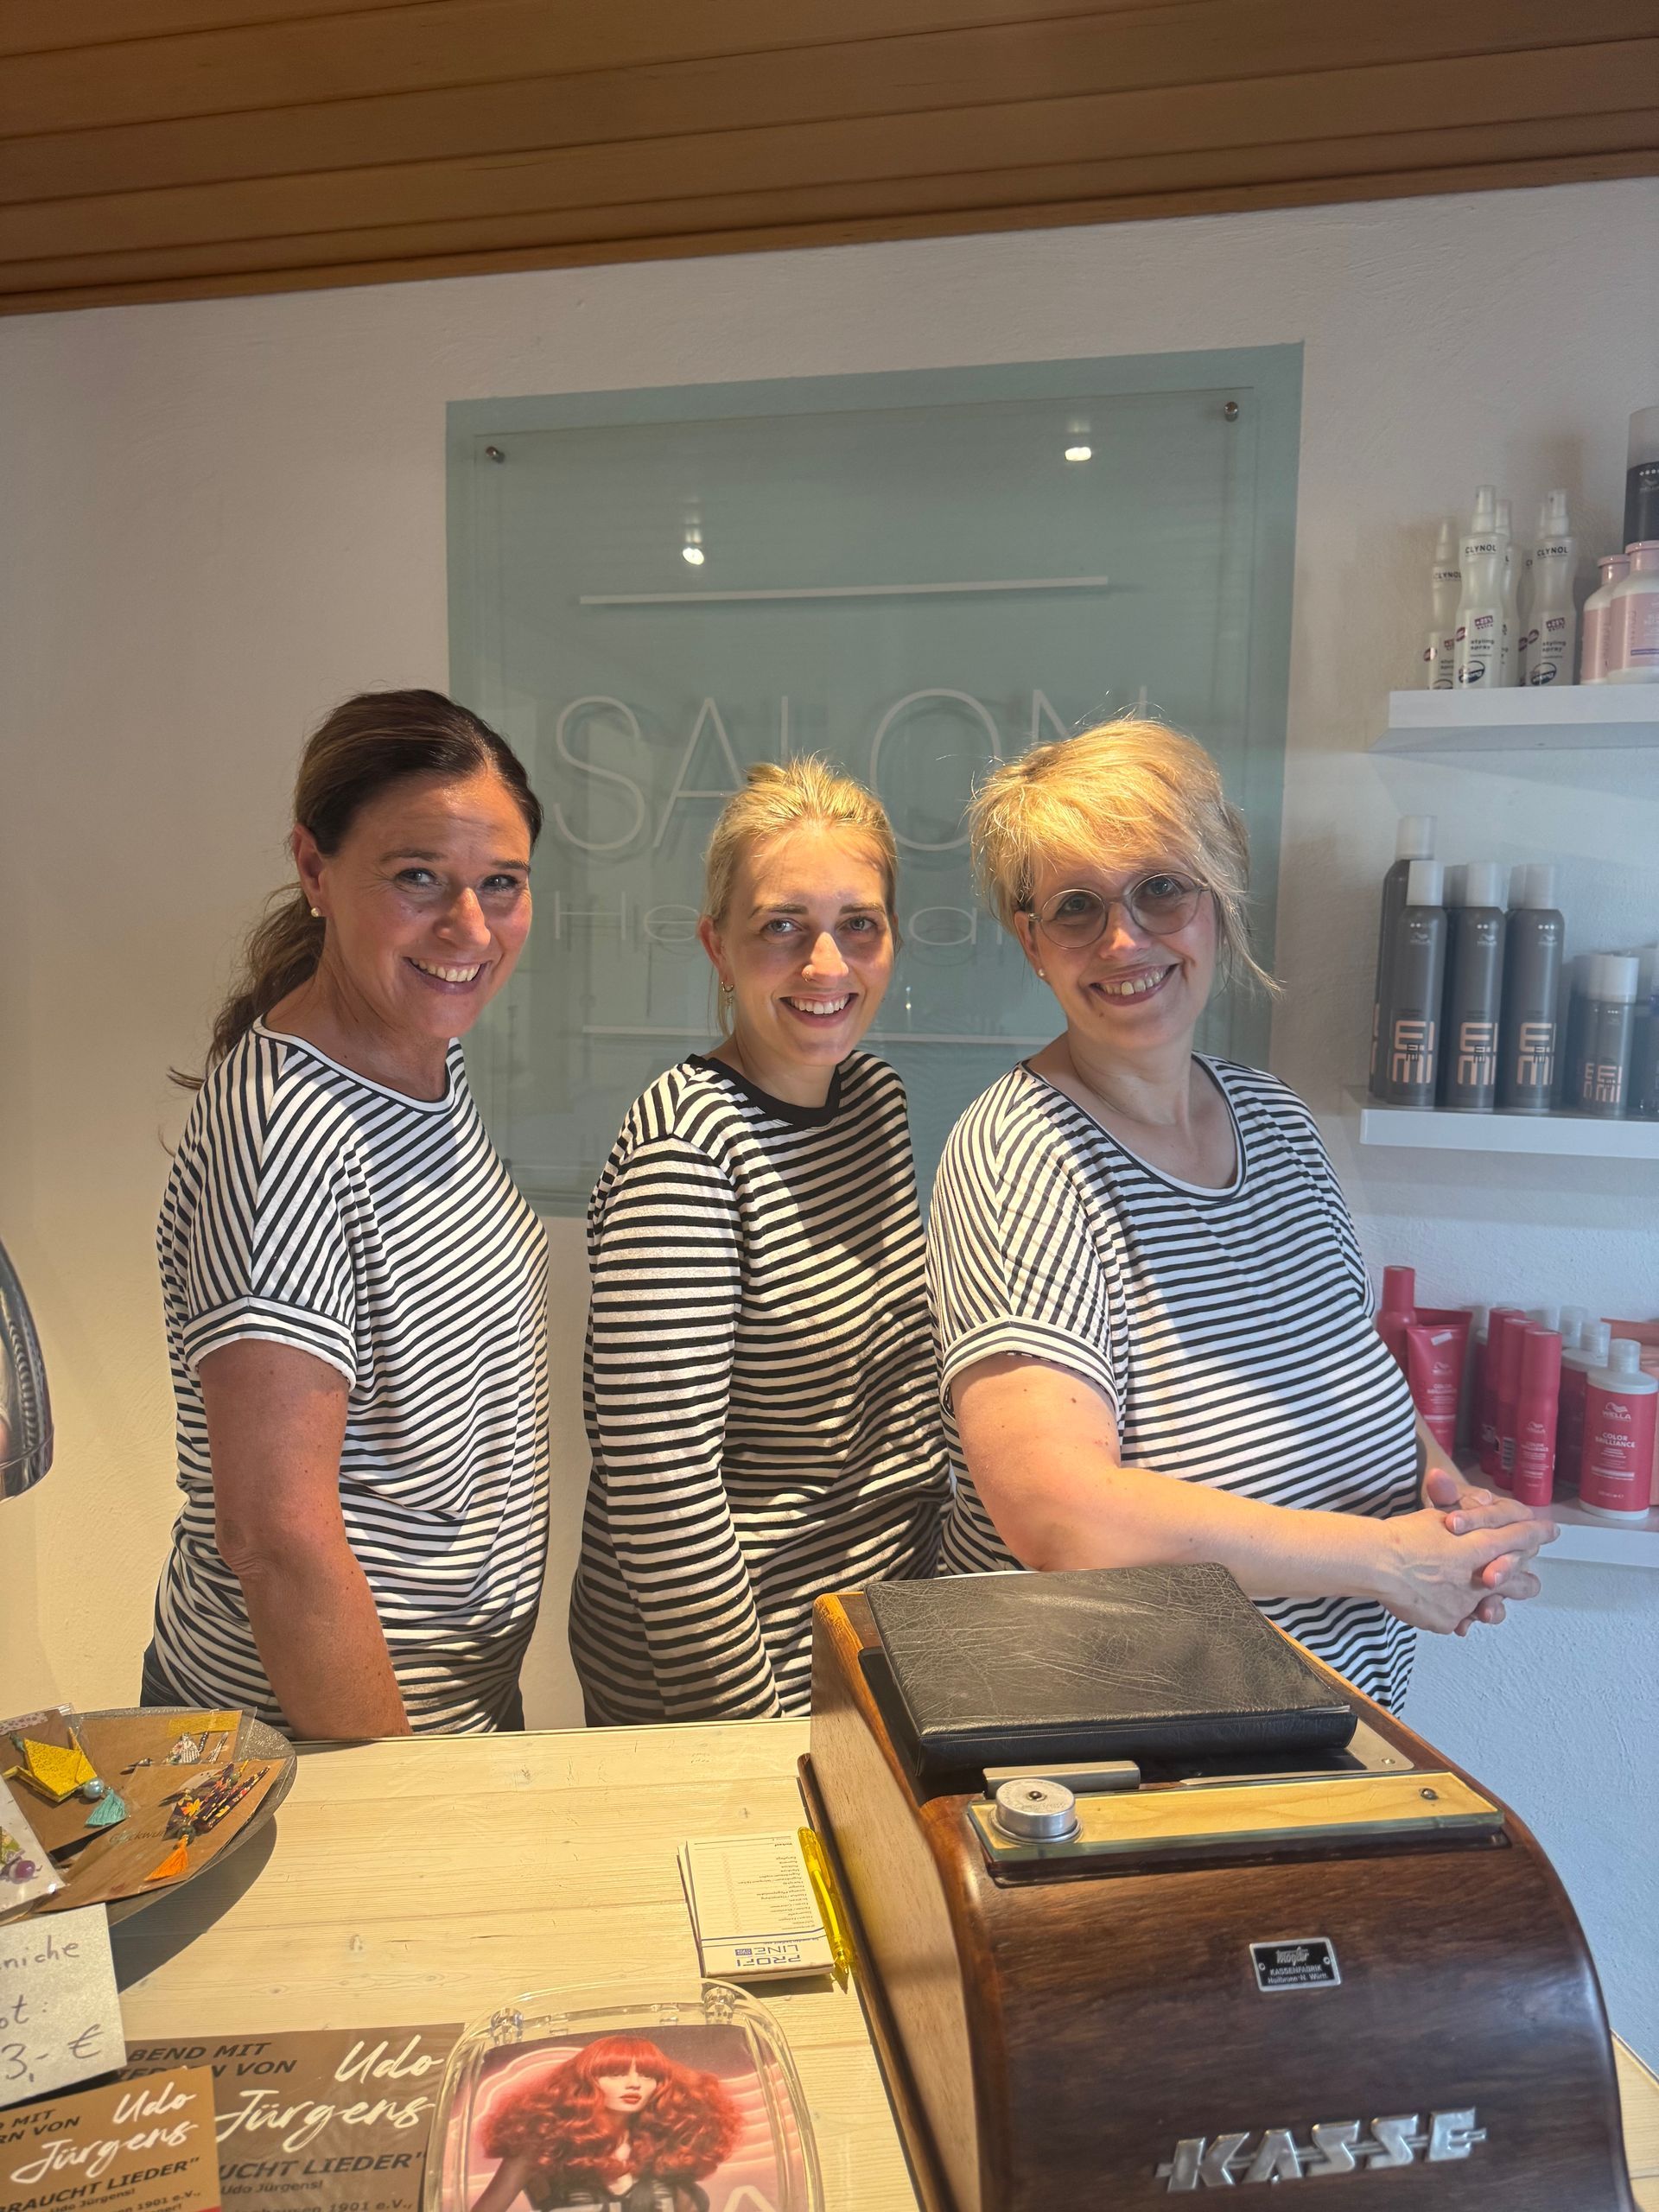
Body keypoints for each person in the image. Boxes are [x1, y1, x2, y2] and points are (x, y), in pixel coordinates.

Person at [925, 718, 1554, 1707]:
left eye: (1161, 888)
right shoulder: (1022, 1155)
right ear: (1032, 942)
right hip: (1139, 1754)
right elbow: (1061, 1514)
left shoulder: (1274, 1115)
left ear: (1217, 898)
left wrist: (1443, 1504)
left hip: (1326, 1733)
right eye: (1077, 907)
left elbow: (1343, 1365)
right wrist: (1384, 1561)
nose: (1125, 939)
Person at [144, 689, 549, 1737]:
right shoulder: (285, 1131)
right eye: (419, 877)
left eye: (500, 885)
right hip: (311, 1744)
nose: (469, 927)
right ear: (315, 869)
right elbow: (274, 1539)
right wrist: (393, 1786)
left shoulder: (418, 1063)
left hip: (439, 1710)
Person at [568, 758, 950, 1722]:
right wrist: (755, 1736)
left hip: (868, 1644)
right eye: (783, 927)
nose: (827, 965)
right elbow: (663, 1498)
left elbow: (896, 1406)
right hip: (731, 1682)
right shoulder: (688, 1147)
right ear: (717, 947)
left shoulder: (875, 1102)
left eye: (858, 925)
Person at [470, 2037, 741, 2212]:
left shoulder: (664, 2154)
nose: (634, 2083)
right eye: (616, 2073)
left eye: (647, 2075)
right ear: (585, 2082)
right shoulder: (541, 2151)